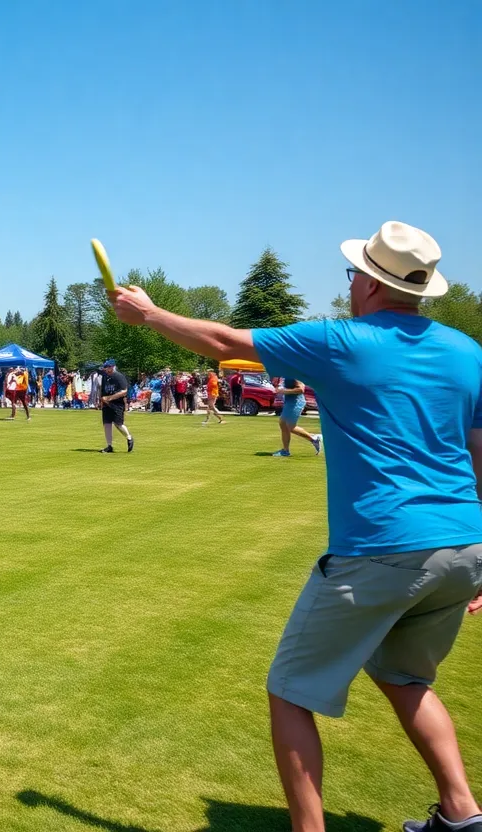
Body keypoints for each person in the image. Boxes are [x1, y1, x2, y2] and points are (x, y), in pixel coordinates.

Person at [110, 221, 482, 832]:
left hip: (384, 545)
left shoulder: (344, 340)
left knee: (291, 691)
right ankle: (462, 814)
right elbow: (477, 452)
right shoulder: (467, 352)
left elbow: (221, 338)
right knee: (405, 676)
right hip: (464, 546)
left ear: (366, 282)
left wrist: (148, 313)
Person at [273, 378, 323, 457]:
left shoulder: (293, 375)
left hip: (296, 403)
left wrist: (284, 391)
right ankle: (285, 451)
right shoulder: (285, 375)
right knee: (283, 424)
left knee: (290, 426)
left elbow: (301, 389)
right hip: (289, 403)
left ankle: (314, 439)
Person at [95, 359, 133, 452]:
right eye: (105, 367)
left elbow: (124, 391)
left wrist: (110, 398)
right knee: (107, 424)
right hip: (106, 404)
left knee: (118, 424)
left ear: (112, 367)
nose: (106, 369)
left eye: (107, 367)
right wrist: (101, 400)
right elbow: (103, 390)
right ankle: (109, 446)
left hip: (117, 404)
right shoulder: (105, 376)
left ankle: (129, 438)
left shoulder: (118, 376)